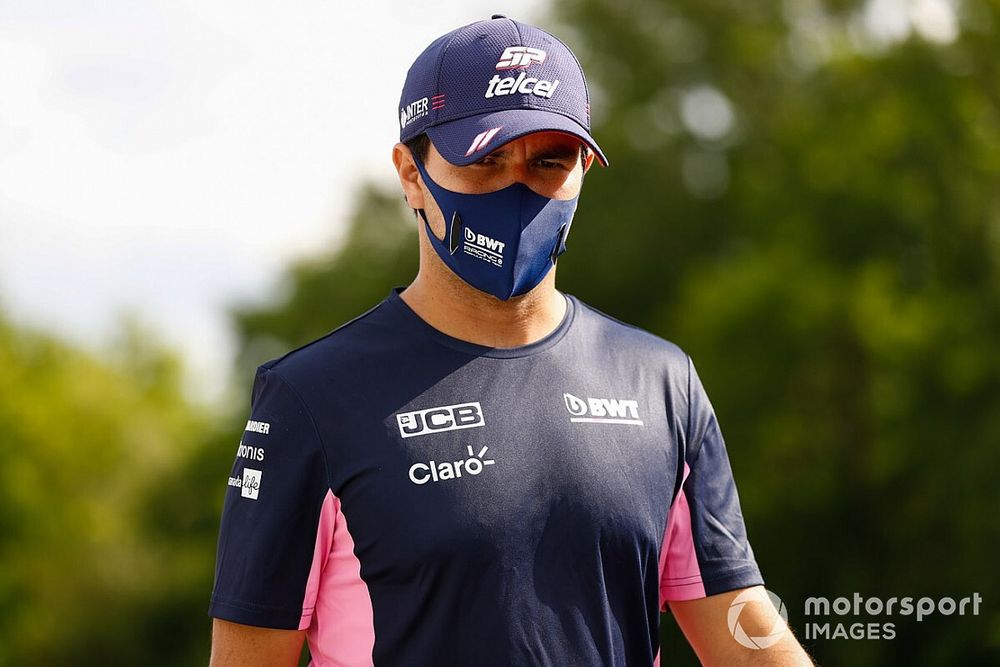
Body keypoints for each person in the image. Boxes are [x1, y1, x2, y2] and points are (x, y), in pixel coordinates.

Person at [207, 15, 814, 667]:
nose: (518, 189)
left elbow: (745, 636)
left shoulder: (662, 383)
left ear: (584, 168)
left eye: (549, 161)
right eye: (484, 160)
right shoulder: (311, 398)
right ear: (410, 173)